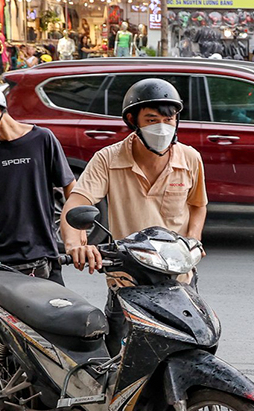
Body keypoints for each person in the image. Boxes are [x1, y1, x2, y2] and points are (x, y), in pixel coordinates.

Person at [62, 78, 207, 274]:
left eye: (168, 120)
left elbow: (198, 205)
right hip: (126, 276)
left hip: (178, 276)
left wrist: (193, 240)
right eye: (152, 120)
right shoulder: (108, 159)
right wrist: (74, 246)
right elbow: (76, 204)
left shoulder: (190, 158)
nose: (162, 128)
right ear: (132, 120)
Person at [0, 82, 76, 283]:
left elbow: (70, 188)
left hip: (44, 253)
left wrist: (76, 232)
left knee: (60, 311)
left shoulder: (43, 139)